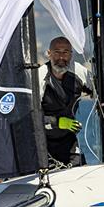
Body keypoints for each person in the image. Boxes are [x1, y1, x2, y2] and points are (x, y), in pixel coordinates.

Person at [38, 36, 93, 167]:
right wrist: (56, 122)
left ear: (71, 54)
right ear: (49, 54)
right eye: (57, 52)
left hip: (68, 140)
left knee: (81, 172)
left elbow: (99, 90)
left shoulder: (79, 71)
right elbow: (28, 115)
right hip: (42, 142)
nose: (61, 57)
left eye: (66, 52)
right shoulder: (40, 76)